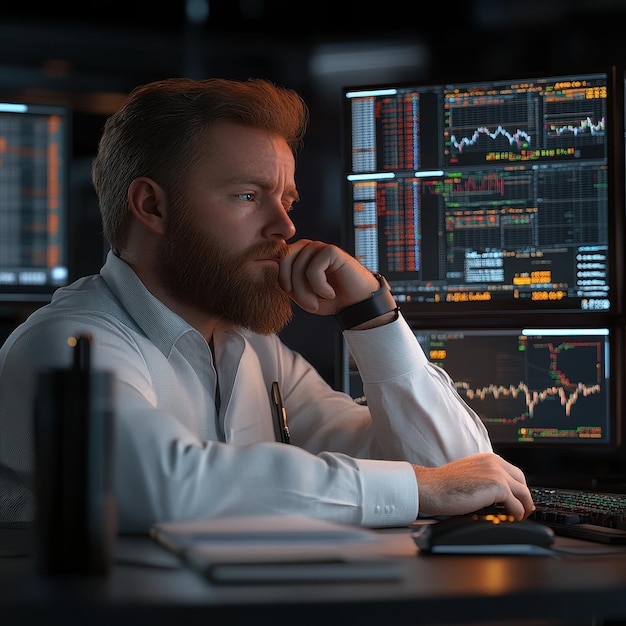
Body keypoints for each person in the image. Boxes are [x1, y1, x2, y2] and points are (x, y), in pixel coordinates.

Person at [0, 77, 534, 533]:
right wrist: (417, 489)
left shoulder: (254, 350)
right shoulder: (67, 342)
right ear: (152, 206)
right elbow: (167, 485)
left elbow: (460, 474)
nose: (285, 226)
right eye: (248, 196)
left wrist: (372, 318)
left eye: (288, 199)